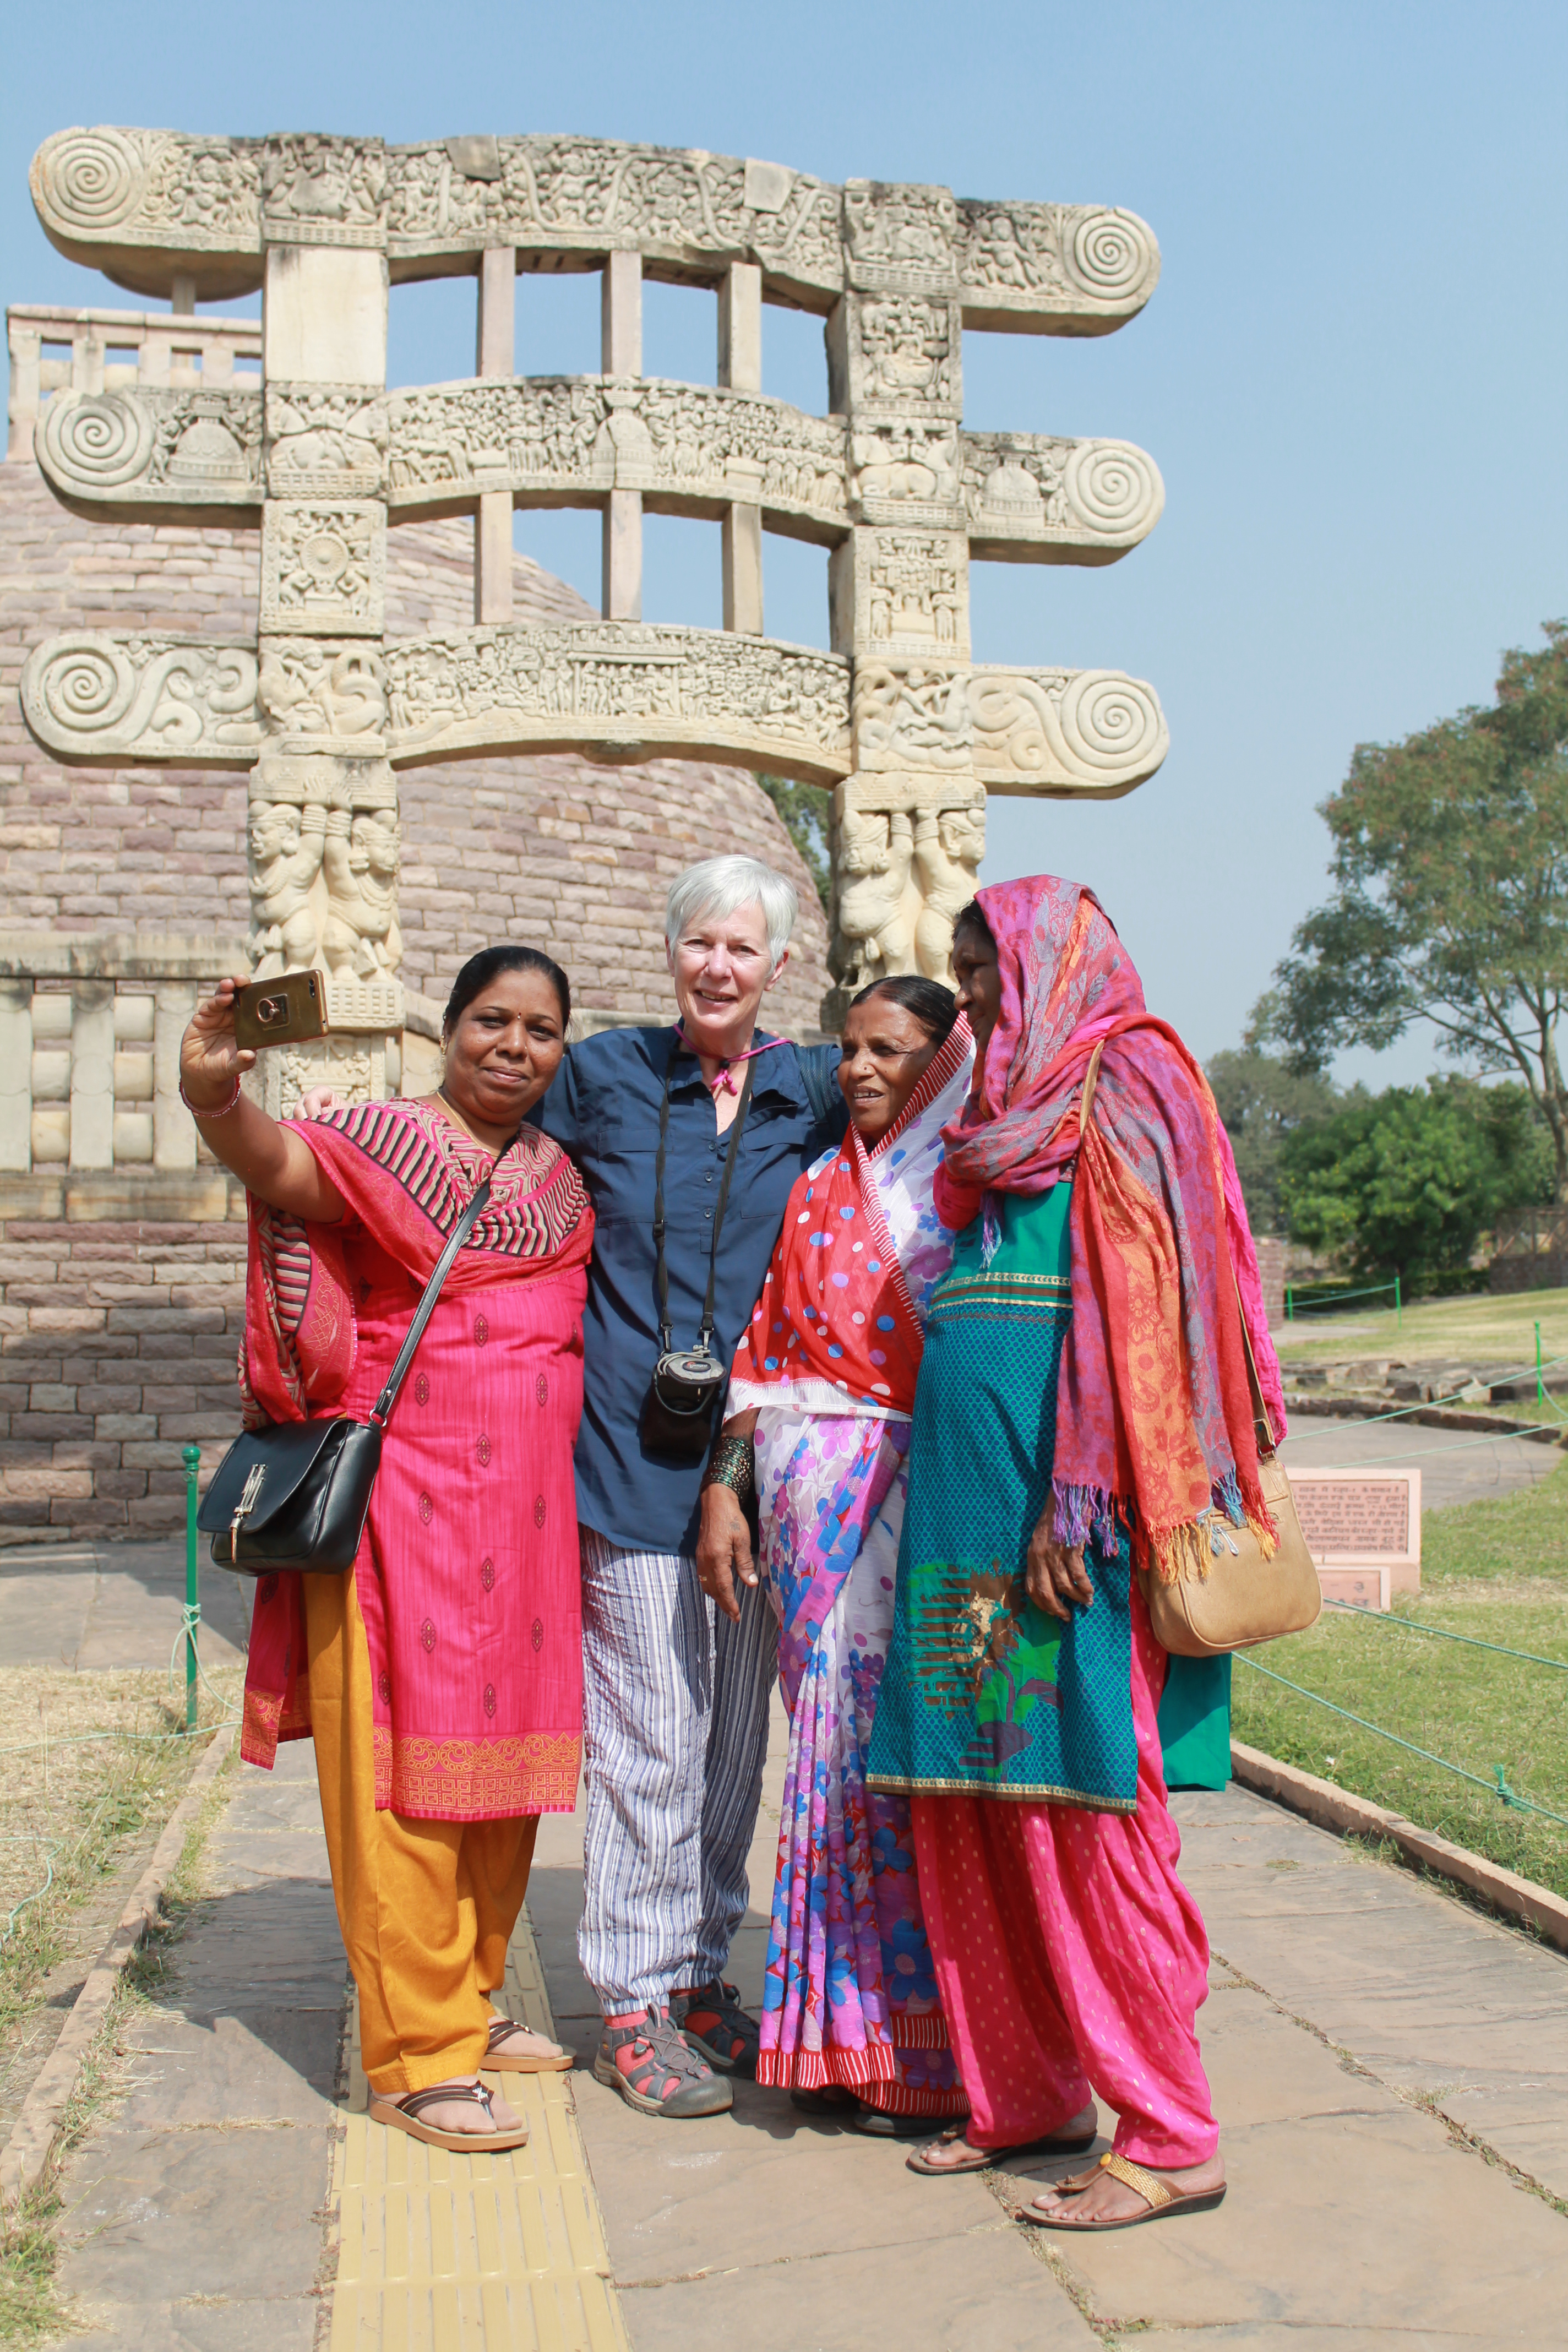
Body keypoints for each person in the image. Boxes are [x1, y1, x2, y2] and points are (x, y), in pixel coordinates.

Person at [865, 876, 1287, 2229]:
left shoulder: (1127, 1084)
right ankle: (1026, 2094)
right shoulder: (1003, 1119)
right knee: (979, 1798)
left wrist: (1077, 1496)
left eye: (984, 971)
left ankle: (1168, 2134)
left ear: (1047, 964)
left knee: (1087, 1807)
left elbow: (1149, 1321)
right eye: (962, 976)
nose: (971, 1000)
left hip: (1066, 1531)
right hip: (966, 1524)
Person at [179, 945, 593, 2154]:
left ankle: (463, 1997)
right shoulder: (382, 1141)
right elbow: (278, 1165)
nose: (514, 1047)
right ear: (447, 1029)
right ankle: (414, 2057)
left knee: (503, 1771)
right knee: (402, 1770)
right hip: (402, 1507)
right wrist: (212, 1089)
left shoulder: (560, 1180)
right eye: (492, 1021)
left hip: (526, 1518)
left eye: (540, 1031)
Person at [535, 855, 847, 2119]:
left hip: (761, 1465)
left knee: (730, 1746)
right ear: (670, 952)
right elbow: (489, 1150)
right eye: (698, 943)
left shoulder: (809, 1087)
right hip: (629, 1454)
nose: (717, 967)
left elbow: (941, 1079)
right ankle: (629, 1998)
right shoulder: (602, 1076)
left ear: (780, 968)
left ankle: (697, 1969)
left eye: (741, 948)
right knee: (648, 1737)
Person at [698, 977, 973, 2137]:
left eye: (888, 1050)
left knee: (942, 1762)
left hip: (943, 1512)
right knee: (831, 1762)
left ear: (943, 1062)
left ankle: (950, 2050)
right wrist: (727, 1486)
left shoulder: (975, 1186)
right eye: (848, 1047)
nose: (858, 1069)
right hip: (809, 1511)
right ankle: (840, 2041)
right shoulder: (816, 1186)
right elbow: (758, 1352)